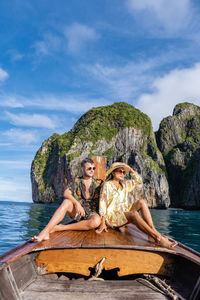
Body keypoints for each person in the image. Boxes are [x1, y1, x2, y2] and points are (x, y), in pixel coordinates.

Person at [96, 162, 177, 248]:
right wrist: (103, 222)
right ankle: (158, 238)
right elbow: (103, 203)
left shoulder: (124, 185)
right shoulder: (107, 185)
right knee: (134, 214)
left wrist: (130, 169)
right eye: (120, 171)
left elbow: (138, 180)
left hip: (124, 213)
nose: (122, 174)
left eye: (124, 172)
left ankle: (153, 231)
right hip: (112, 218)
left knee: (142, 202)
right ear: (113, 172)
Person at [32, 158, 103, 242]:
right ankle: (45, 231)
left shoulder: (99, 183)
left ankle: (61, 228)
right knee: (66, 202)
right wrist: (77, 203)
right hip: (78, 212)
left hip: (92, 213)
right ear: (82, 169)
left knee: (96, 221)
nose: (92, 170)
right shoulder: (76, 181)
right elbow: (66, 193)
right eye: (89, 168)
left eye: (93, 168)